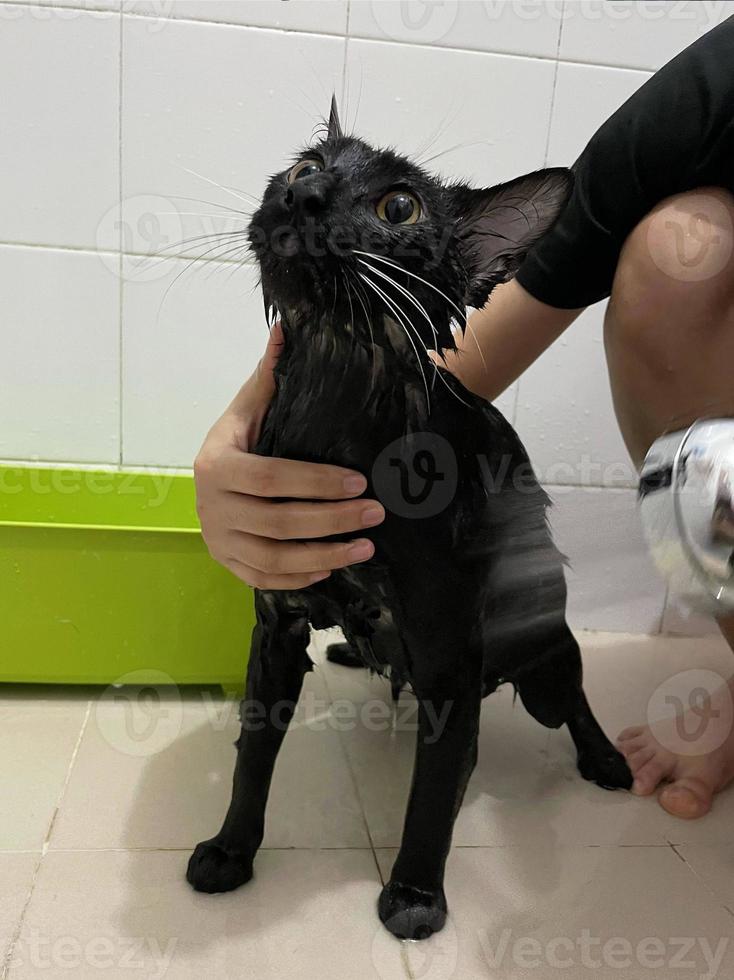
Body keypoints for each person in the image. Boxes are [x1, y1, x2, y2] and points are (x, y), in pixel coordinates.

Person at [194, 17, 734, 820]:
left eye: (398, 207)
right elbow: (471, 335)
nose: (308, 188)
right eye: (310, 167)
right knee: (679, 250)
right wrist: (235, 442)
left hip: (483, 592)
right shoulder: (710, 97)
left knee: (516, 638)